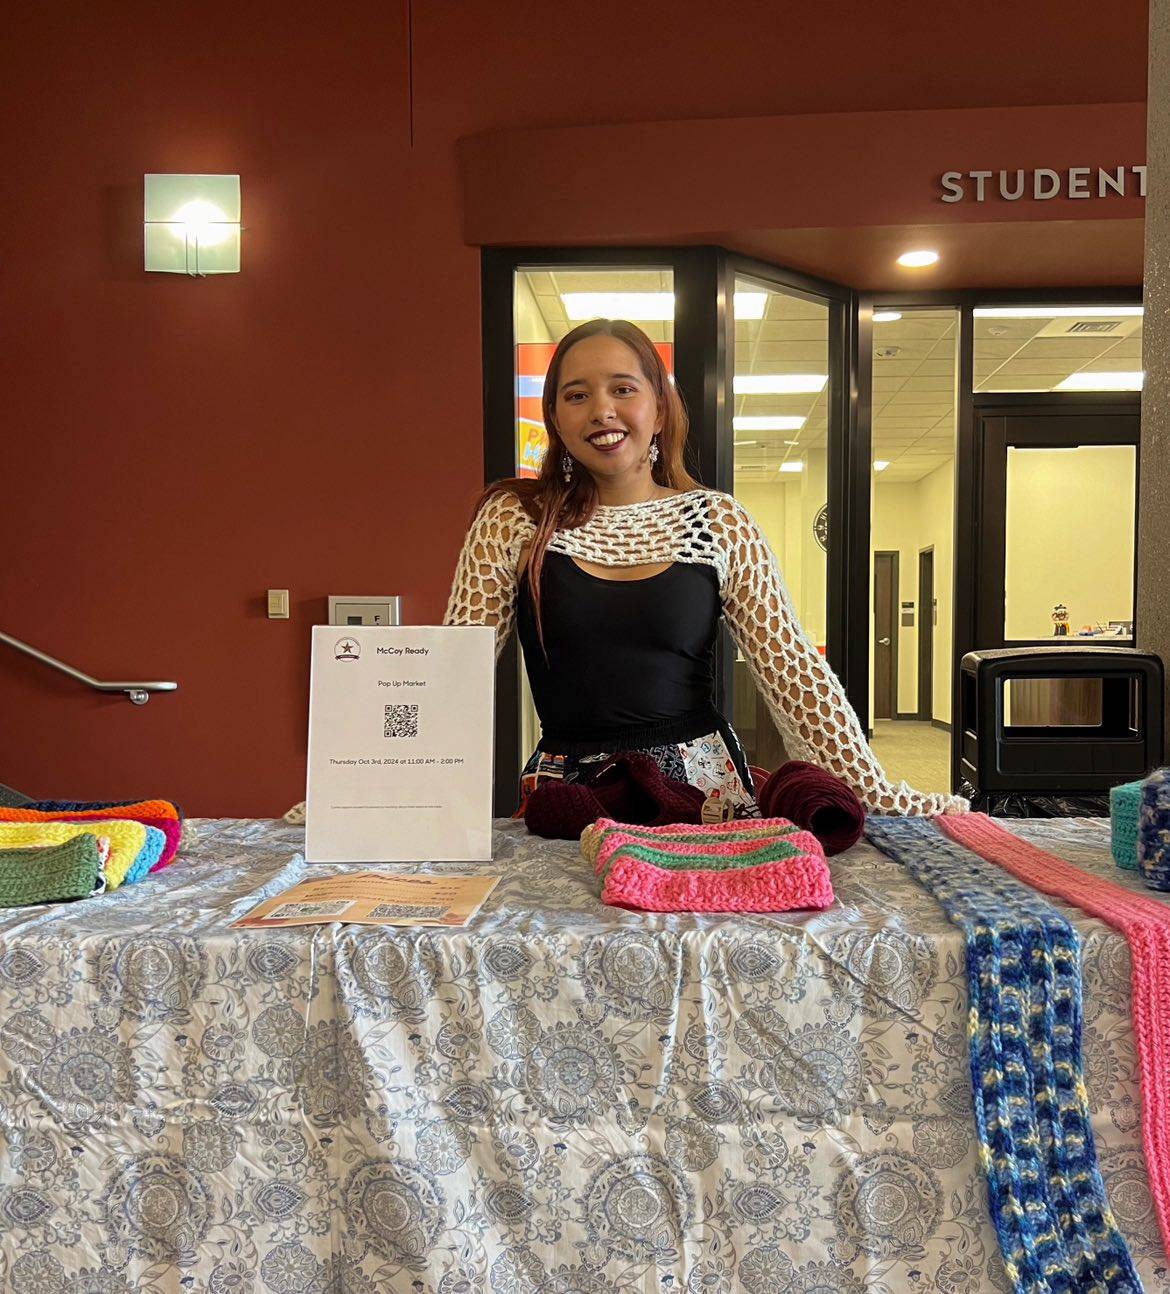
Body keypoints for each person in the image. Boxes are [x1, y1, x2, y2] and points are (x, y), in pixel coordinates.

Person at [443, 318, 968, 819]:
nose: (602, 410)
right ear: (556, 417)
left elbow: (792, 670)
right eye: (577, 395)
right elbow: (450, 673)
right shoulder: (514, 518)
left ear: (660, 409)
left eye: (623, 389)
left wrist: (870, 792)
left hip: (705, 792)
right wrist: (397, 789)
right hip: (568, 792)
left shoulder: (718, 521)